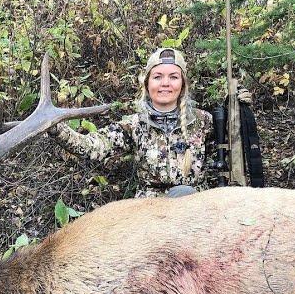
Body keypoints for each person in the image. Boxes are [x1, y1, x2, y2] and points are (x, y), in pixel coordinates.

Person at [49, 47, 251, 198]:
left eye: (173, 77)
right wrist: (55, 127)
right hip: (149, 216)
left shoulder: (204, 122)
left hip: (196, 211)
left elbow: (233, 151)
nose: (165, 83)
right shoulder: (134, 125)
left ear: (183, 84)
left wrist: (239, 111)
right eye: (157, 77)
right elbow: (91, 148)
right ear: (147, 83)